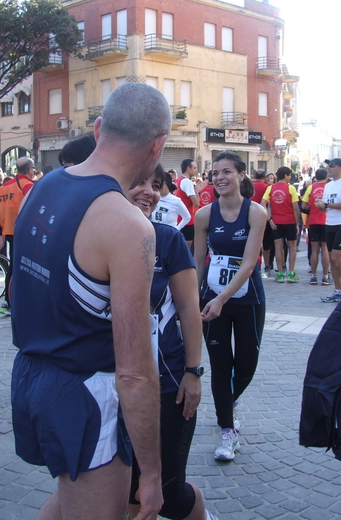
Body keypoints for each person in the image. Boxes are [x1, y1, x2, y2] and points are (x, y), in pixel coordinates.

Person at [10, 82, 169, 520]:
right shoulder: (128, 225)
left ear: (98, 129)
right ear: (158, 146)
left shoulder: (42, 187)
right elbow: (135, 372)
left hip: (31, 374)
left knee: (67, 501)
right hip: (85, 393)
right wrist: (152, 474)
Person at [124, 165, 218, 520]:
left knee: (168, 492)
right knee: (128, 487)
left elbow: (189, 310)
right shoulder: (98, 236)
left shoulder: (168, 239)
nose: (149, 191)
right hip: (115, 385)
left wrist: (193, 371)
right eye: (139, 182)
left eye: (156, 184)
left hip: (168, 384)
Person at [194, 151, 267, 462]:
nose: (219, 178)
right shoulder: (203, 215)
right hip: (211, 300)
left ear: (241, 175)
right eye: (214, 173)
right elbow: (198, 263)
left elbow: (249, 265)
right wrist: (194, 299)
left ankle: (228, 401)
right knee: (221, 367)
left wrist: (222, 298)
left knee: (247, 365)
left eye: (226, 172)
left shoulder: (256, 213)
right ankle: (227, 431)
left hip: (246, 298)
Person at [0, 157, 35, 315]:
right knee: (26, 266)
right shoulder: (28, 186)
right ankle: (20, 300)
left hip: (9, 231)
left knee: (13, 265)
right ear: (30, 170)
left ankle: (7, 300)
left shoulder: (3, 187)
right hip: (25, 231)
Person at [316, 158, 341, 302]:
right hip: (329, 223)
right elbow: (325, 207)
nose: (329, 168)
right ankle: (337, 290)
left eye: (331, 166)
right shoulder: (328, 185)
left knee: (336, 258)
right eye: (328, 166)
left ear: (340, 169)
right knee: (332, 259)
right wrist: (320, 204)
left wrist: (327, 205)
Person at [262, 166, 301, 283]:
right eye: (289, 175)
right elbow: (295, 208)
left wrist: (269, 219)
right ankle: (291, 273)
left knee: (279, 248)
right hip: (290, 221)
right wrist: (297, 224)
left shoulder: (271, 188)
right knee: (292, 247)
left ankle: (279, 274)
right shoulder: (291, 188)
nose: (290, 178)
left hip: (276, 222)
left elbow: (263, 203)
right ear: (285, 175)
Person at [301, 168, 331, 286]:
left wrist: (312, 206)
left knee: (314, 250)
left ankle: (313, 276)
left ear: (316, 177)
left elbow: (304, 205)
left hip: (313, 221)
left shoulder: (311, 187)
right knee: (325, 250)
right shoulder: (329, 187)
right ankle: (325, 276)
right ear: (326, 176)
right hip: (327, 221)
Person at [174, 159, 206, 249]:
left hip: (178, 217)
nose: (196, 170)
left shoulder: (178, 180)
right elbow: (196, 203)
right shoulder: (187, 182)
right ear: (188, 169)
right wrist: (197, 191)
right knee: (186, 247)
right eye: (195, 168)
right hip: (187, 220)